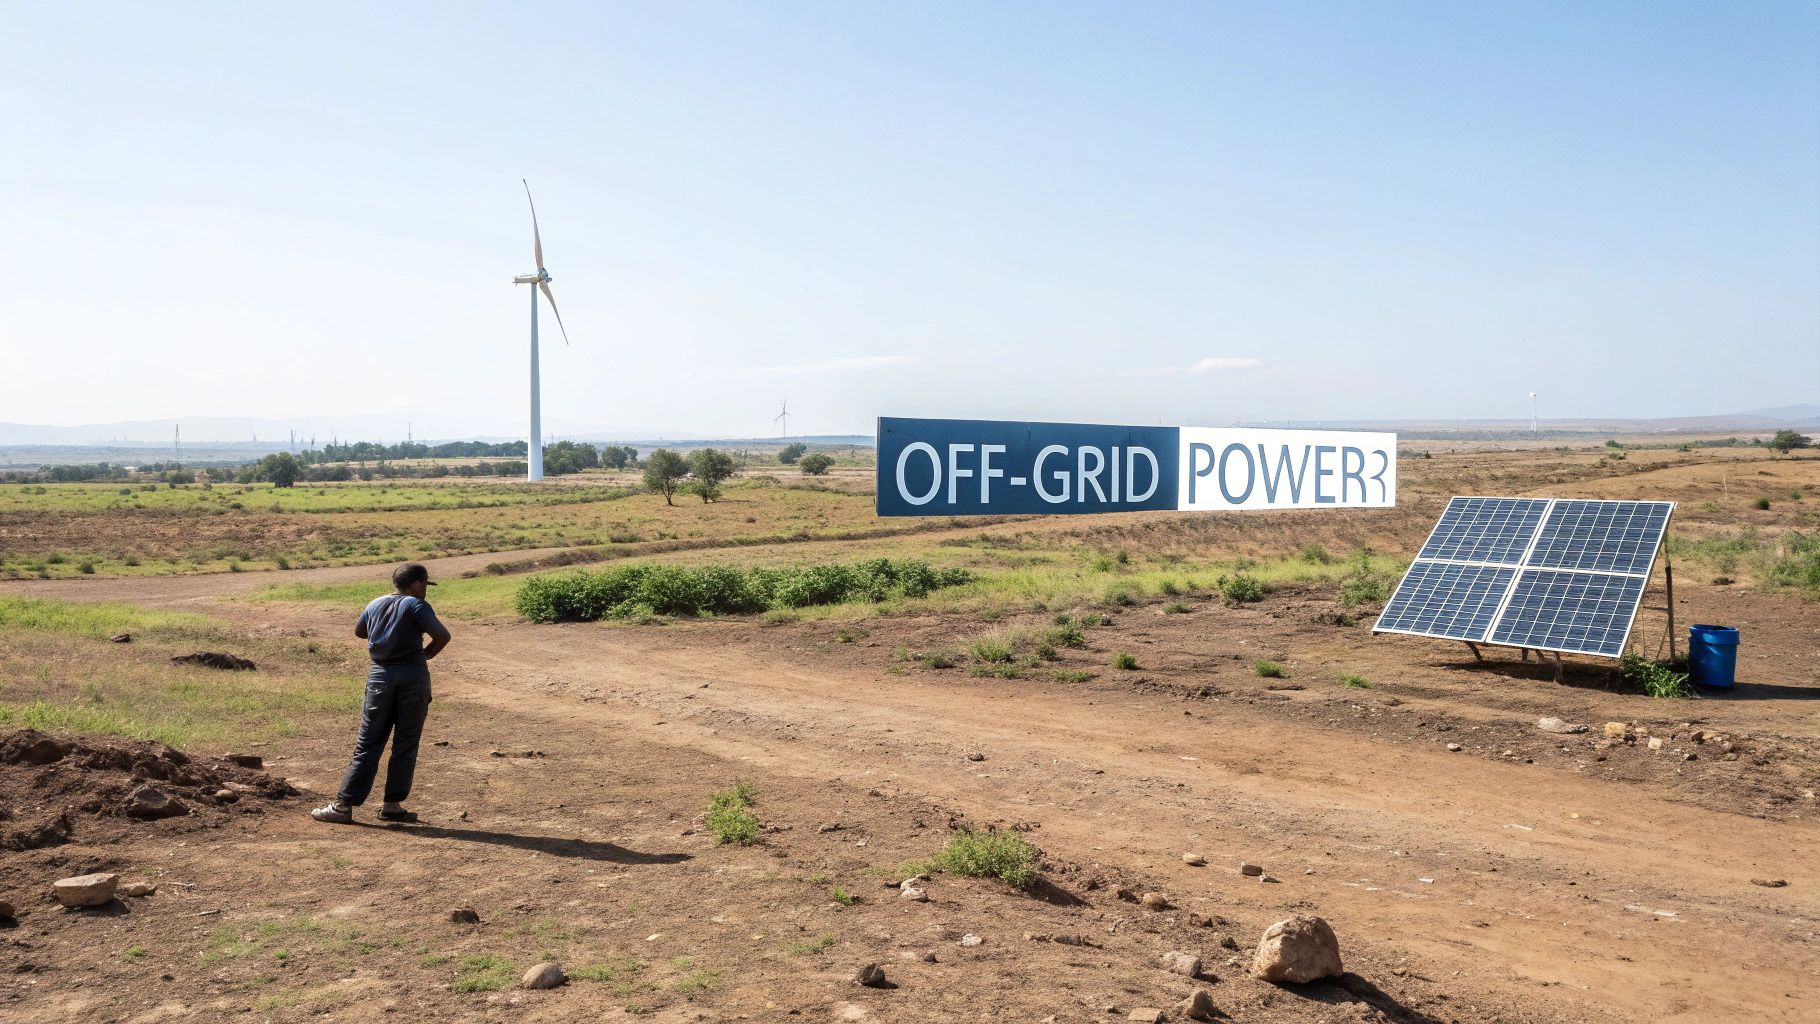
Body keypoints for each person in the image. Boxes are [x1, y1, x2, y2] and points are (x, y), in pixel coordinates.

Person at [311, 562, 452, 824]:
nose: (426, 591)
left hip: (380, 676)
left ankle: (343, 806)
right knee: (406, 741)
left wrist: (386, 637)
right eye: (425, 586)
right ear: (418, 583)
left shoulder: (375, 603)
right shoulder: (416, 605)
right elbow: (442, 635)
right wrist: (425, 654)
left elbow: (359, 631)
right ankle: (391, 804)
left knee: (368, 741)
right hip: (412, 677)